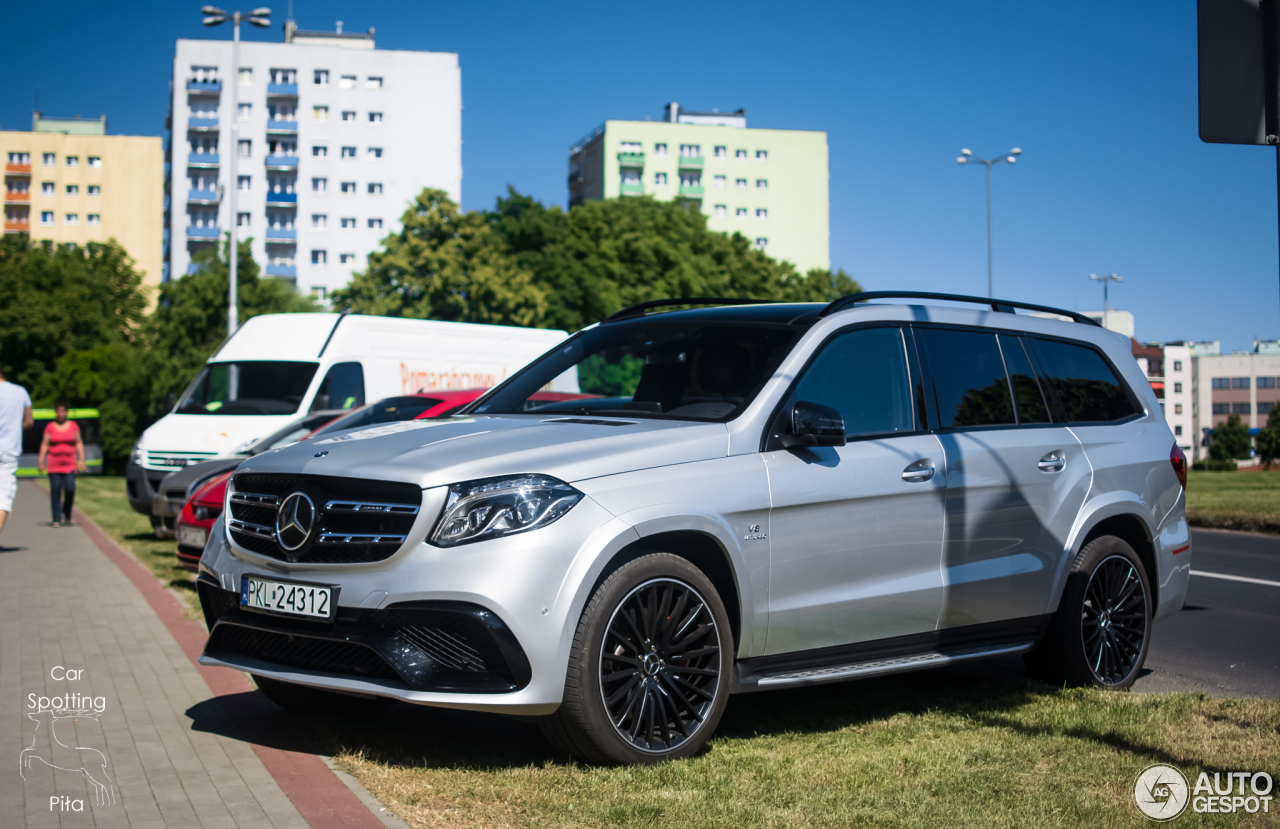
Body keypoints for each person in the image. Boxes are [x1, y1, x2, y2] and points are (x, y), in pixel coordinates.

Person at [38, 401, 86, 527]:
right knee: (55, 490)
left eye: (63, 411)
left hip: (70, 463)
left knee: (70, 488)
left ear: (66, 412)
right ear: (56, 412)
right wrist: (41, 461)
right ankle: (56, 518)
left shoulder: (73, 426)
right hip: (54, 463)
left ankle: (67, 513)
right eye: (58, 411)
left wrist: (82, 459)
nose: (60, 414)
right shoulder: (50, 426)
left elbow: (79, 442)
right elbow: (45, 444)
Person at [0, 366, 35, 541]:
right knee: (4, 496)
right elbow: (29, 421)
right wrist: (15, 428)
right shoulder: (20, 392)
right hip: (9, 449)